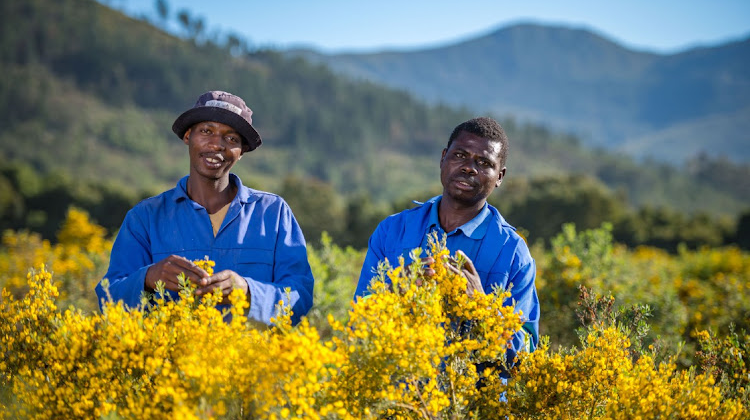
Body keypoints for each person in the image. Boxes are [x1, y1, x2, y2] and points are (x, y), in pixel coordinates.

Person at [96, 90, 314, 325]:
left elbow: (300, 297)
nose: (217, 144)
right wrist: (149, 277)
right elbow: (108, 301)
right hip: (171, 360)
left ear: (241, 152)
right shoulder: (145, 218)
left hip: (251, 359)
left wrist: (248, 291)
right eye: (207, 131)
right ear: (188, 136)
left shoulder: (273, 213)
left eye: (231, 139)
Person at [354, 116, 539, 363]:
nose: (469, 167)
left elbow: (526, 353)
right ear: (443, 157)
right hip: (396, 396)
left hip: (475, 401)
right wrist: (395, 290)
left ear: (500, 177)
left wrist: (481, 305)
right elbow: (359, 322)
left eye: (484, 162)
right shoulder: (392, 231)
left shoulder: (513, 252)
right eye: (460, 155)